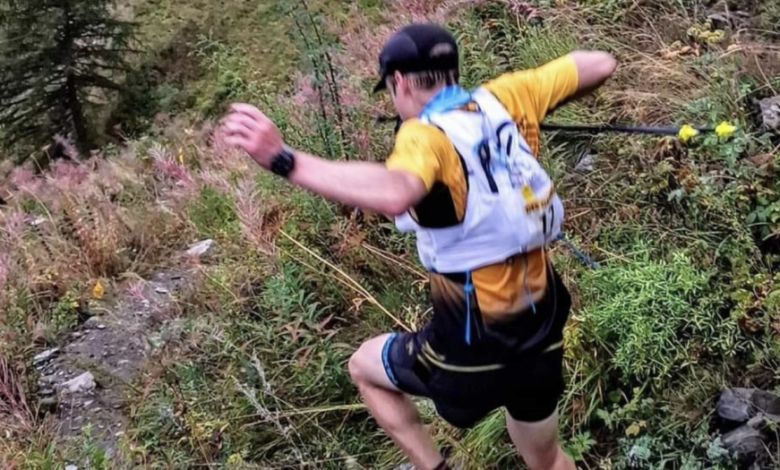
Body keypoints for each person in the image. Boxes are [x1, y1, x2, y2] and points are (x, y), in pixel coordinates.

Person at [221, 23, 616, 470]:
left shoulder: (421, 136)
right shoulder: (507, 96)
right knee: (545, 458)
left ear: (401, 82)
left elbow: (398, 192)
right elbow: (600, 64)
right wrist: (538, 101)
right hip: (542, 327)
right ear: (451, 71)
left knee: (363, 367)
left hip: (470, 345)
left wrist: (284, 159)